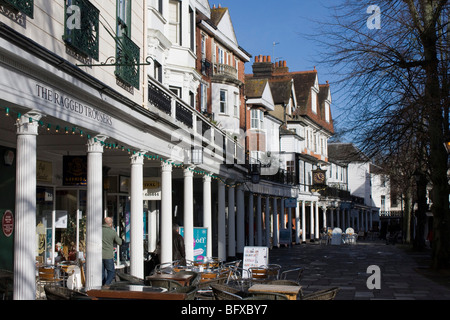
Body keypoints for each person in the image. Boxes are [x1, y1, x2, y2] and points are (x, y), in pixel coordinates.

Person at [102, 217, 122, 286]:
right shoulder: (112, 232)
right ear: (110, 224)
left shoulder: (99, 231)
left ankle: (101, 286)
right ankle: (106, 285)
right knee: (111, 272)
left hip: (99, 255)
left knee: (101, 272)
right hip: (108, 255)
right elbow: (119, 242)